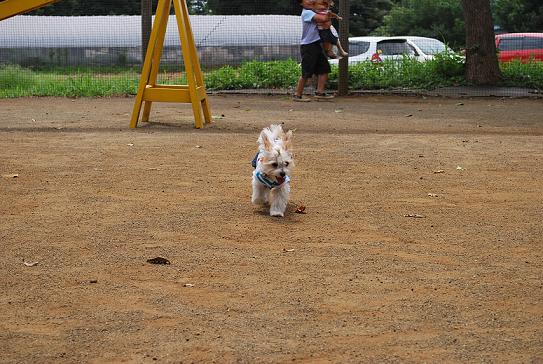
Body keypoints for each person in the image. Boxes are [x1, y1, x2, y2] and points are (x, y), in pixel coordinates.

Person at [293, 0, 335, 102]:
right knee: (307, 72)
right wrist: (328, 10)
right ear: (301, 4)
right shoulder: (307, 13)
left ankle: (320, 93)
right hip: (308, 46)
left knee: (324, 68)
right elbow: (324, 18)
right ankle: (297, 95)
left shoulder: (314, 11)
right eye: (306, 0)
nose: (310, 1)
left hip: (316, 44)